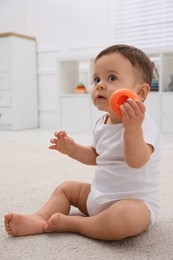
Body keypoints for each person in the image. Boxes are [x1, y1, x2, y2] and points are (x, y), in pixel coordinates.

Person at [4, 44, 161, 241]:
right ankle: (40, 218)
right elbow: (97, 156)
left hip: (133, 203)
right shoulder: (101, 123)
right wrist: (73, 149)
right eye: (97, 79)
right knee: (66, 188)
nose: (100, 85)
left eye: (111, 78)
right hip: (98, 195)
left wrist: (132, 130)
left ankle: (74, 224)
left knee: (125, 216)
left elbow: (137, 161)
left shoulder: (144, 125)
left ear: (141, 92)